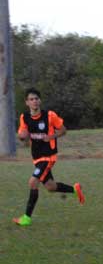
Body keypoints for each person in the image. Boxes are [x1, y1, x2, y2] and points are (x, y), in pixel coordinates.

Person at [11, 88, 85, 226]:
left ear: (40, 101)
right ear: (27, 102)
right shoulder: (24, 117)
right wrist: (22, 137)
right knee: (50, 187)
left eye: (36, 99)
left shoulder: (49, 116)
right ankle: (75, 189)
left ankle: (26, 218)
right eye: (31, 99)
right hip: (37, 157)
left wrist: (52, 136)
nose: (34, 101)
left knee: (33, 182)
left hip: (48, 156)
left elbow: (63, 130)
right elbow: (23, 135)